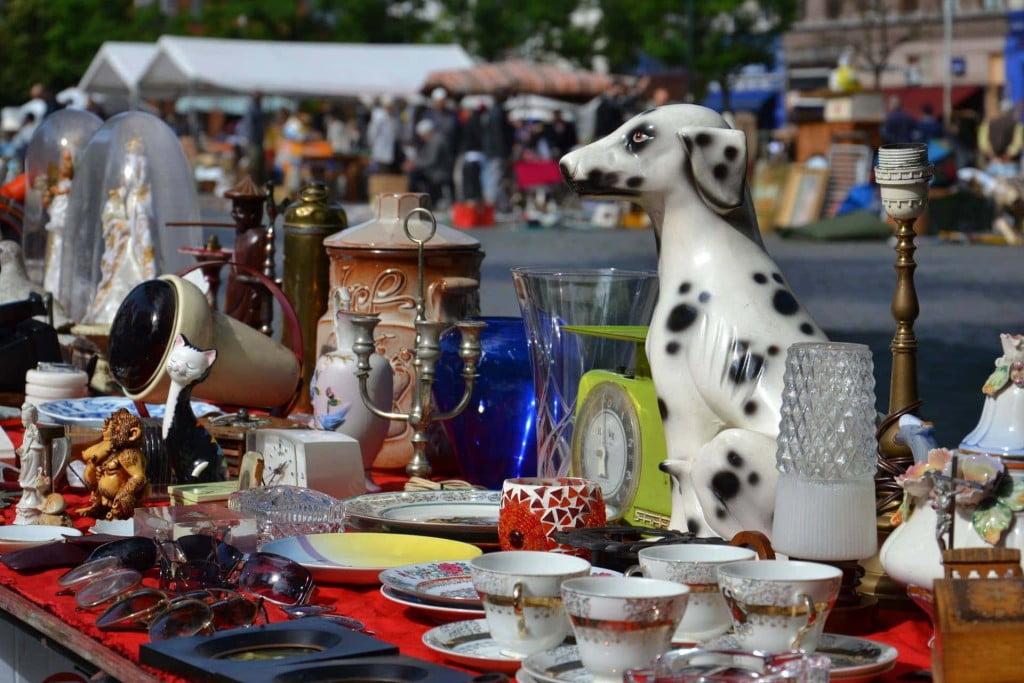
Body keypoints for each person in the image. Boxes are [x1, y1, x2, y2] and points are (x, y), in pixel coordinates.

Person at [85, 138, 157, 324]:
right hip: (122, 244)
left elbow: (145, 225)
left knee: (135, 275)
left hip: (136, 247)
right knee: (116, 280)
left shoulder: (142, 195)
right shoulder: (121, 194)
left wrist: (133, 226)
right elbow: (110, 214)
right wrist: (118, 225)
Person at [42, 148, 74, 294]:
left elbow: (67, 191)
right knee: (54, 247)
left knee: (61, 246)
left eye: (67, 160)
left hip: (64, 214)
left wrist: (57, 191)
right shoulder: (60, 181)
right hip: (58, 212)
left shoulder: (69, 183)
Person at [406, 119, 452, 207]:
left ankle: (416, 202)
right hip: (435, 170)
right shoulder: (434, 140)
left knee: (414, 176)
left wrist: (415, 164)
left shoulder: (436, 141)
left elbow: (431, 160)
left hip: (438, 172)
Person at [14, 403, 45, 524]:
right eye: (22, 419)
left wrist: (28, 450)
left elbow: (38, 445)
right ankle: (27, 500)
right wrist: (22, 450)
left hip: (34, 457)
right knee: (26, 478)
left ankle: (33, 501)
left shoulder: (34, 430)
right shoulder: (27, 430)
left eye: (25, 419)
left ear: (33, 419)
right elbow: (25, 444)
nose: (23, 421)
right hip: (27, 458)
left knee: (32, 479)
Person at [978, 98, 1023, 178]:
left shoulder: (1015, 125)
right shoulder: (989, 123)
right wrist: (994, 156)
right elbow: (1017, 142)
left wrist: (1004, 156)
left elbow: (983, 141)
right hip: (996, 162)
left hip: (1007, 163)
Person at [367, 98, 400, 174]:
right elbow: (372, 134)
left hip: (387, 153)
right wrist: (373, 146)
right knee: (380, 174)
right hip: (380, 153)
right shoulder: (379, 117)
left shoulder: (391, 117)